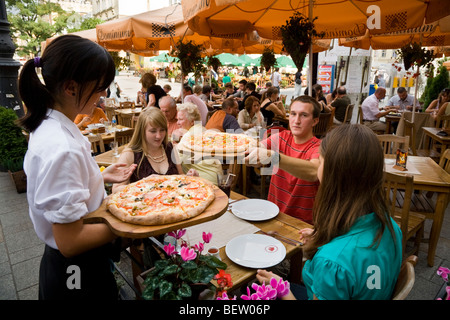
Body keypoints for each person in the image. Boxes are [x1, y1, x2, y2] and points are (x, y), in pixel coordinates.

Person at [17, 34, 137, 300]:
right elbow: (71, 242)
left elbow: (61, 183)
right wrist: (129, 221)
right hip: (76, 273)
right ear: (71, 87)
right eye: (100, 86)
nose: (104, 94)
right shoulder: (62, 146)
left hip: (67, 269)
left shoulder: (50, 125)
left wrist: (99, 175)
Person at [255, 124, 402, 300]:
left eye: (320, 162)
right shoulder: (391, 225)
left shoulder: (331, 263)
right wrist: (329, 238)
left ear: (332, 174)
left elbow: (342, 263)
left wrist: (281, 288)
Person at [247, 95, 321, 224]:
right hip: (273, 214)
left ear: (315, 121)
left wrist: (274, 157)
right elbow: (257, 147)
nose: (296, 120)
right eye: (293, 114)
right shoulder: (282, 137)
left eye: (304, 115)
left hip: (302, 223)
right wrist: (249, 153)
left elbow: (314, 172)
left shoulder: (319, 147)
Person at [112, 107, 196, 193]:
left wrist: (189, 177)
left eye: (162, 130)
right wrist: (143, 184)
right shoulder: (130, 153)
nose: (159, 136)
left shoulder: (170, 148)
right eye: (153, 131)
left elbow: (180, 176)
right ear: (142, 131)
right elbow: (115, 189)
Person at [175, 103, 223, 185]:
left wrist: (173, 145)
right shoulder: (203, 130)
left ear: (192, 122)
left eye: (181, 119)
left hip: (205, 182)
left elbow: (176, 159)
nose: (178, 123)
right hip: (218, 178)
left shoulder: (189, 136)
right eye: (177, 119)